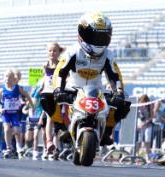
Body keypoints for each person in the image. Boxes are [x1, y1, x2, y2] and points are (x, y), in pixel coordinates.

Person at [53, 11, 129, 146]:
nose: (98, 40)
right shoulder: (72, 51)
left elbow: (115, 76)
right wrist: (58, 90)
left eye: (102, 36)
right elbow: (60, 72)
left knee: (124, 103)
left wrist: (119, 92)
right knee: (46, 97)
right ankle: (60, 128)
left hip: (96, 90)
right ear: (82, 33)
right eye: (93, 36)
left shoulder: (108, 55)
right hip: (73, 88)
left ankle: (107, 131)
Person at [0, 69, 33, 159]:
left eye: (9, 77)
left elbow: (27, 95)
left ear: (14, 79)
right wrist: (0, 109)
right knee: (6, 129)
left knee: (17, 131)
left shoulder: (18, 88)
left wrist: (32, 105)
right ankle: (8, 148)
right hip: (6, 113)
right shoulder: (2, 90)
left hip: (14, 113)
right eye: (5, 77)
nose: (7, 79)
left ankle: (18, 147)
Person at [39, 42, 68, 155]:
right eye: (50, 51)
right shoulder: (45, 65)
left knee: (57, 119)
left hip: (58, 95)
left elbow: (66, 77)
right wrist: (39, 88)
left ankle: (56, 146)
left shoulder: (61, 64)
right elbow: (44, 79)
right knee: (49, 118)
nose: (52, 53)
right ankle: (49, 142)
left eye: (54, 50)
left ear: (58, 52)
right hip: (47, 94)